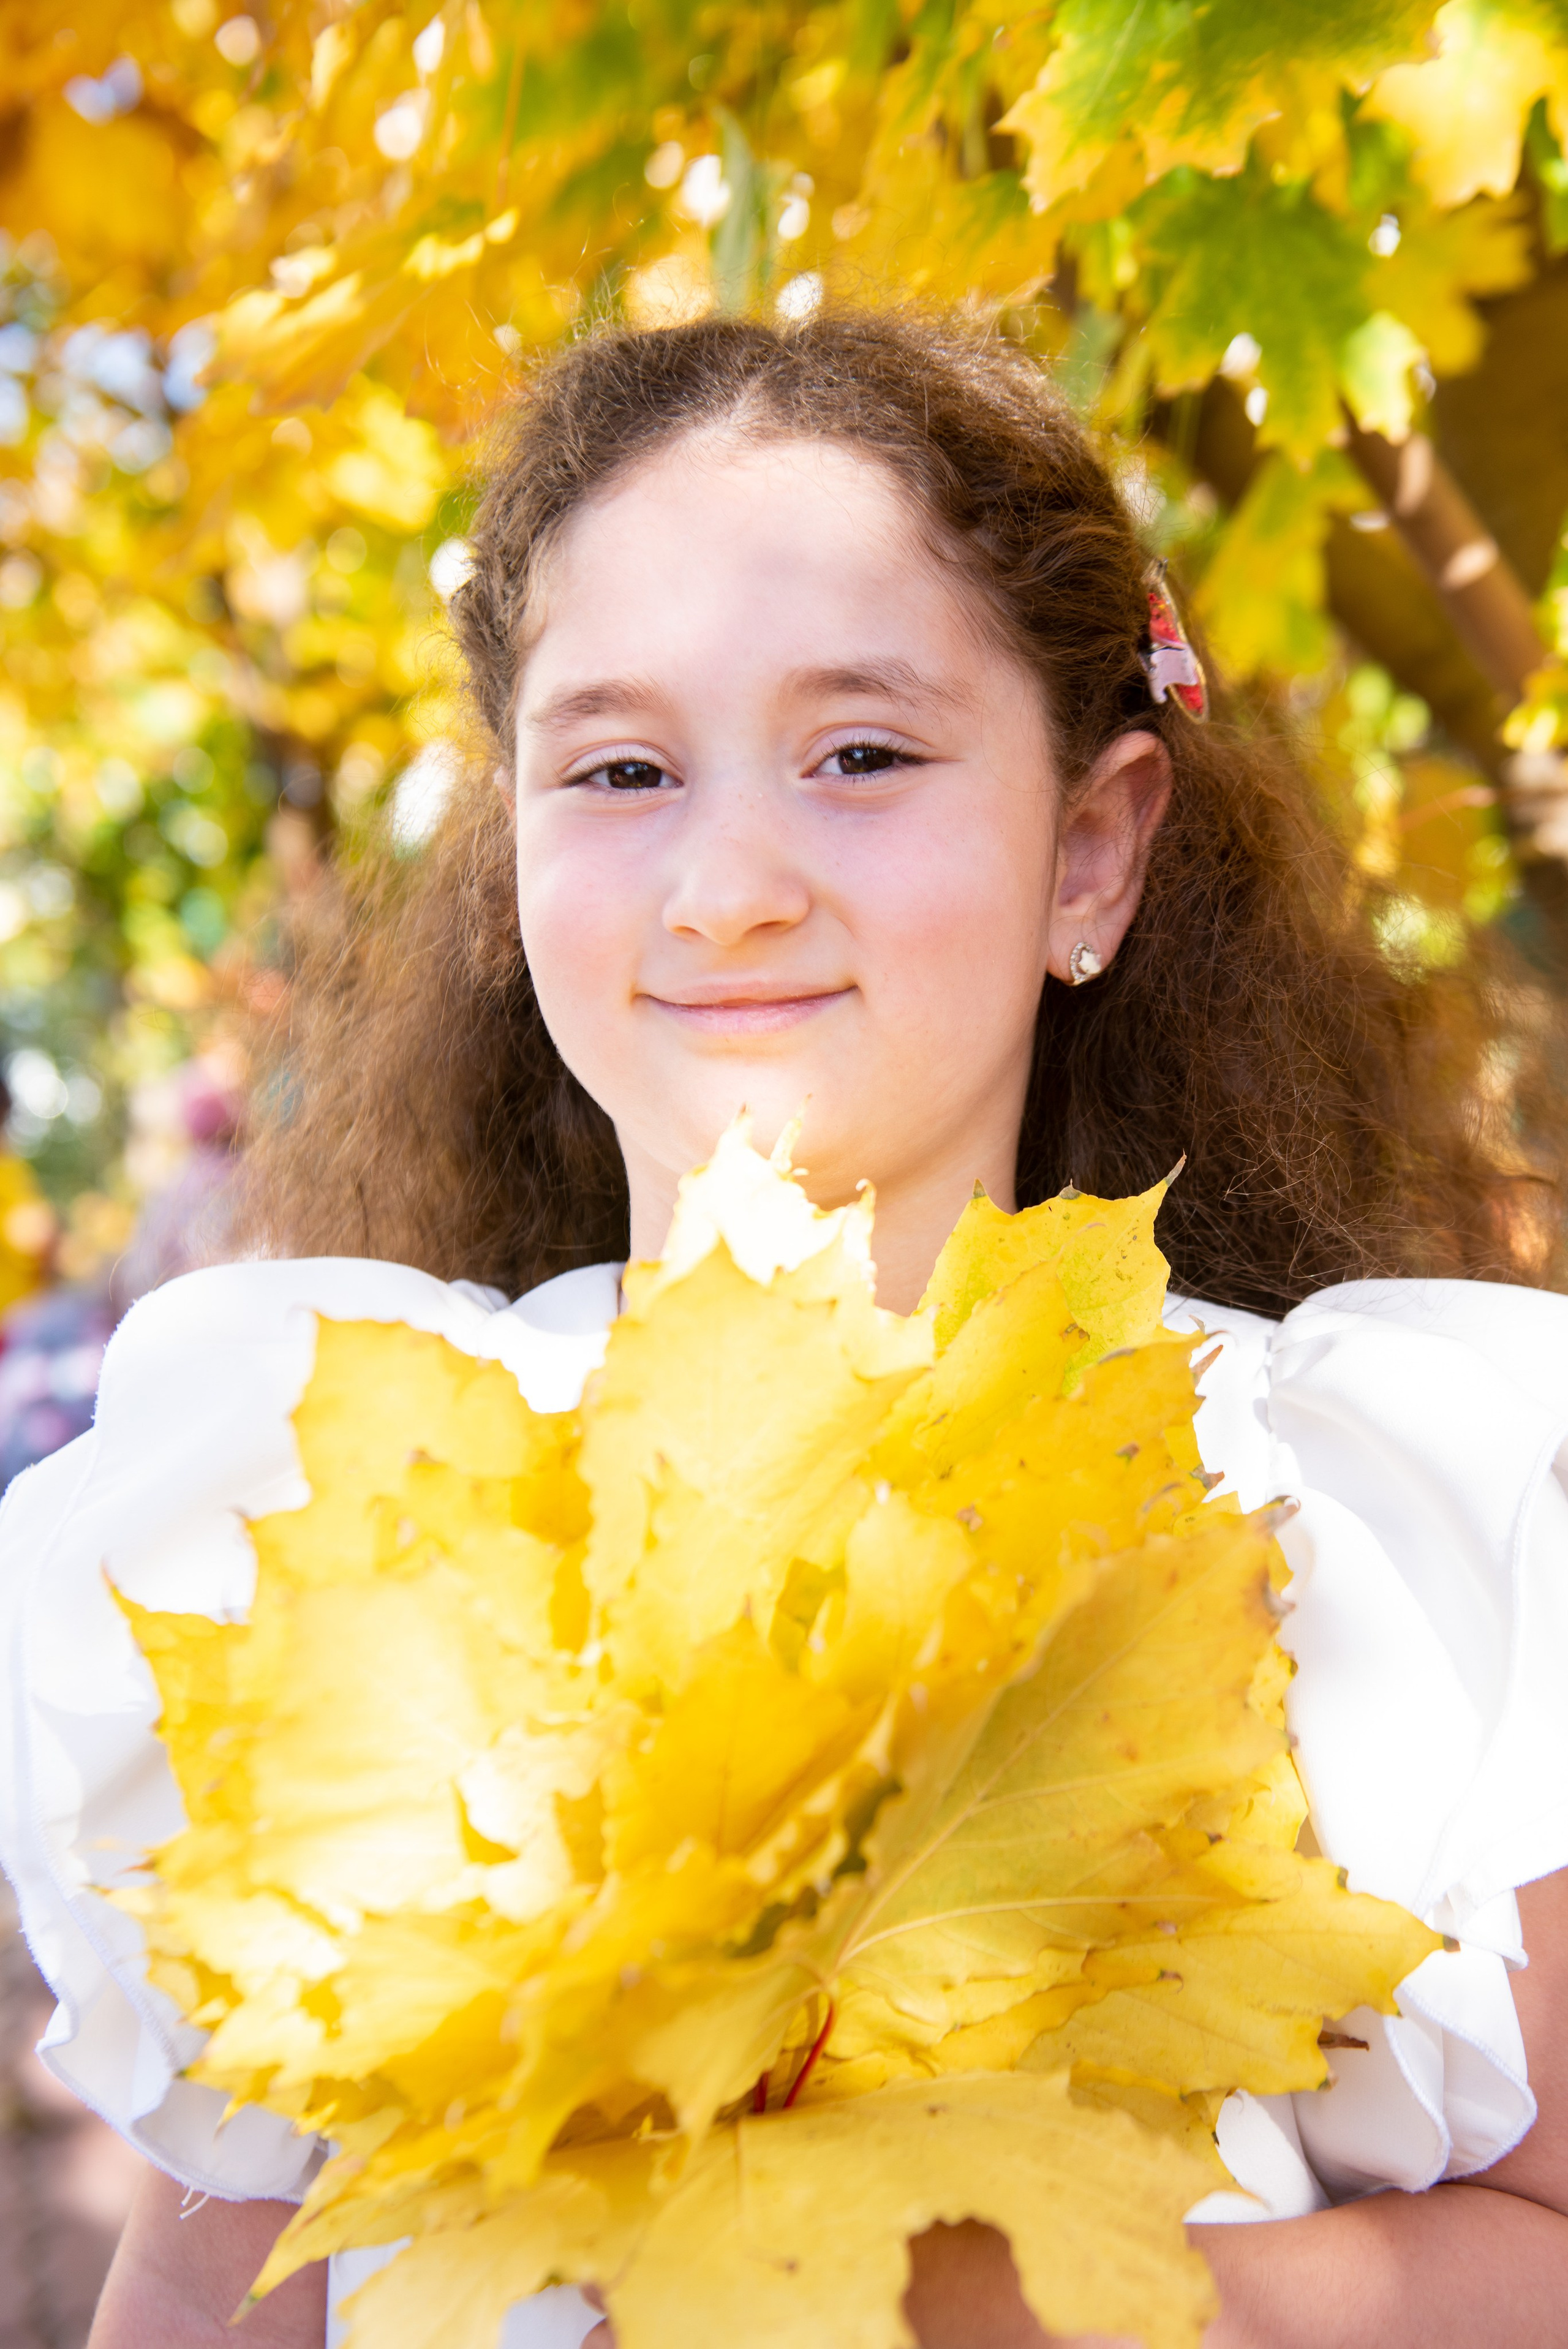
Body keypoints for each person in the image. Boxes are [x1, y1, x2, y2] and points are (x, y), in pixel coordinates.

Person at [2, 311, 1566, 2349]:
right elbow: (233, 2265)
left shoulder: (1378, 1534)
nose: (731, 880)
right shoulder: (323, 1505)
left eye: (862, 755)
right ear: (512, 865)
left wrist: (961, 2299)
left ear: (1091, 846)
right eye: (625, 767)